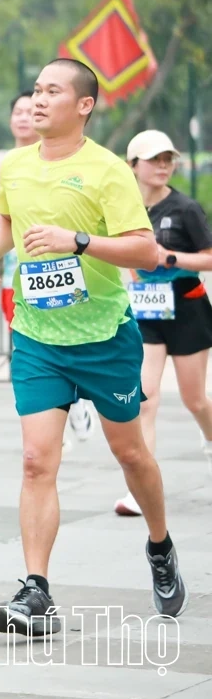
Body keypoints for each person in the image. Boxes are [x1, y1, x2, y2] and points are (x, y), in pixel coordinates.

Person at [0, 59, 187, 635]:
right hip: (38, 338)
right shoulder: (14, 165)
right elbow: (6, 220)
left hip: (104, 338)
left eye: (52, 92)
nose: (38, 101)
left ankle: (160, 545)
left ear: (84, 105)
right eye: (36, 91)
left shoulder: (108, 171)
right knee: (37, 460)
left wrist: (80, 241)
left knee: (131, 454)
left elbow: (145, 252)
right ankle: (36, 591)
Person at [0, 91, 97, 444]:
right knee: (24, 343)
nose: (26, 116)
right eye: (19, 111)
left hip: (61, 269)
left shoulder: (69, 160)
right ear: (11, 119)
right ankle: (45, 421)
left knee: (64, 340)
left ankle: (74, 402)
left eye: (32, 109)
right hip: (16, 272)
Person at [116, 129, 212, 516]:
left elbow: (209, 257)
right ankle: (141, 489)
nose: (162, 166)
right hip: (148, 313)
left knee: (194, 399)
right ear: (132, 166)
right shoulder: (127, 210)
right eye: (154, 159)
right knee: (146, 400)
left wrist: (169, 258)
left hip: (188, 310)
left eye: (167, 159)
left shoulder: (186, 209)